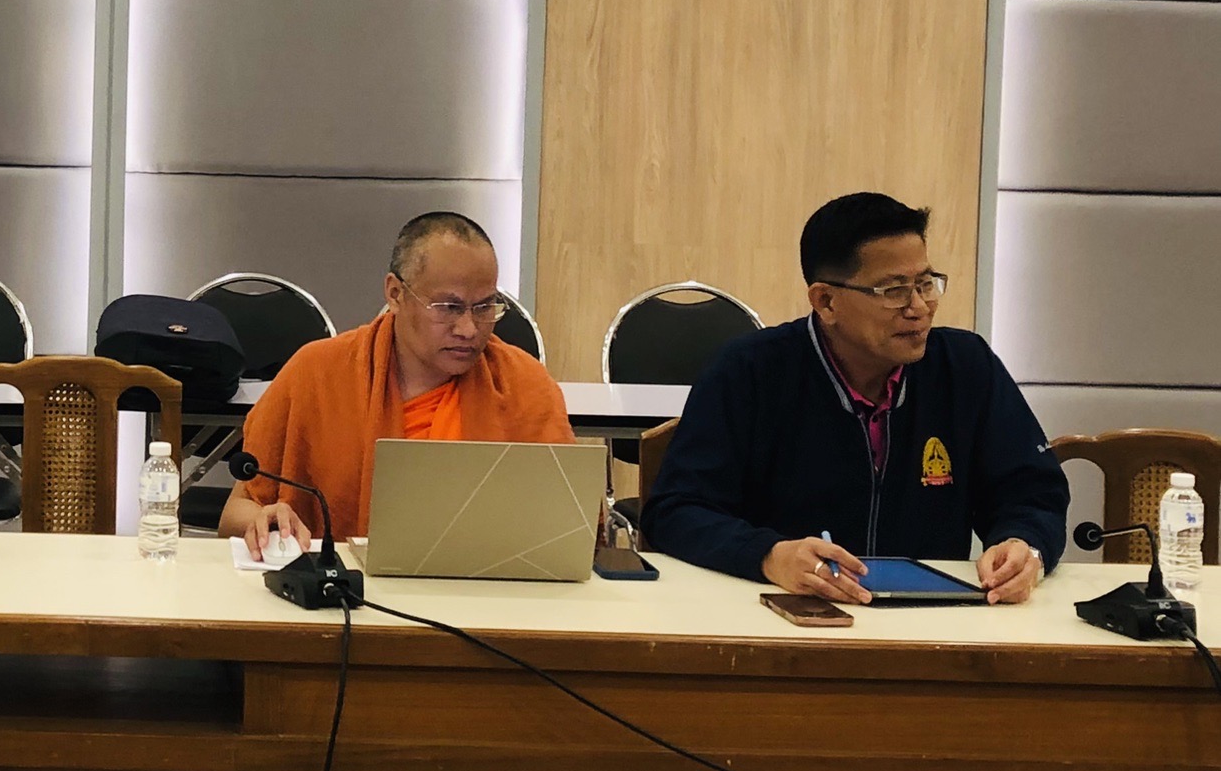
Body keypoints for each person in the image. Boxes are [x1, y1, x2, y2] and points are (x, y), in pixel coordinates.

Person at [643, 192, 1066, 606]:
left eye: (926, 284)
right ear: (826, 301)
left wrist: (1025, 546)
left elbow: (1032, 492)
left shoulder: (965, 367)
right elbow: (676, 510)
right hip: (779, 613)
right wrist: (769, 556)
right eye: (894, 290)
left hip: (930, 620)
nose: (919, 307)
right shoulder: (749, 371)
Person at [220, 211, 572, 557]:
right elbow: (235, 513)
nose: (468, 329)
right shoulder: (317, 374)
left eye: (484, 307)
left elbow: (569, 524)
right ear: (395, 293)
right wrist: (265, 521)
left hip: (487, 587)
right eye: (448, 307)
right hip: (342, 585)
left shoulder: (524, 385)